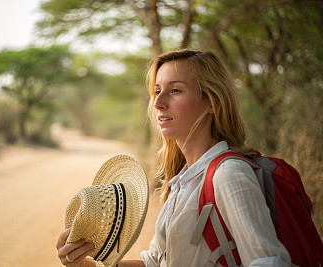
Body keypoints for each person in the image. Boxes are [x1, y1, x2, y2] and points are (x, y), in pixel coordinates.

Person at [56, 49, 291, 266]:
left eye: (175, 90)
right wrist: (86, 265)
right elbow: (155, 263)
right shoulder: (182, 180)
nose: (158, 103)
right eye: (157, 91)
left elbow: (268, 261)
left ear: (212, 102)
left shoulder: (228, 174)